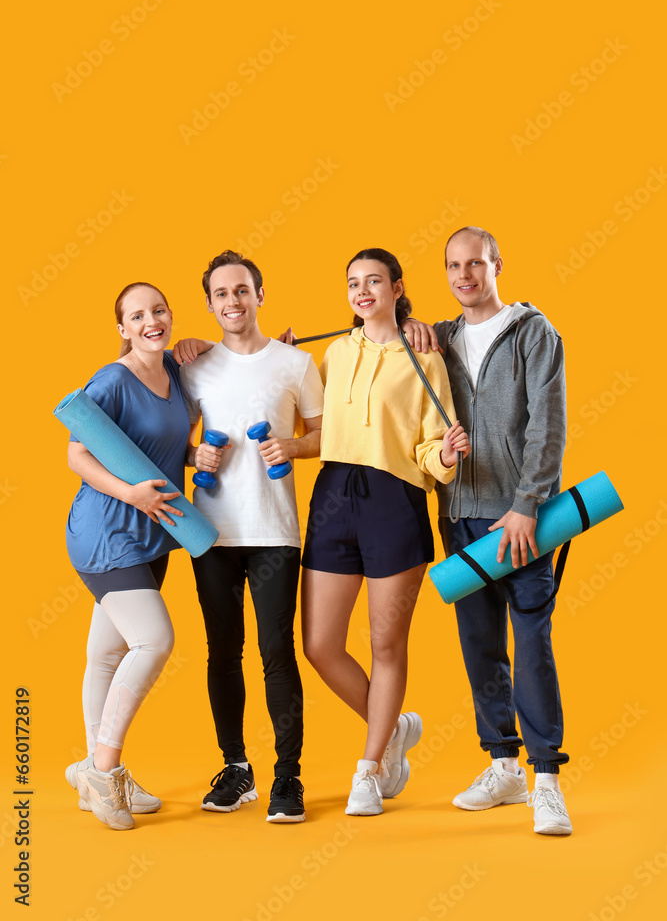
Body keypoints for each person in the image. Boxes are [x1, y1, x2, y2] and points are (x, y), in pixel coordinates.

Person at [403, 226, 572, 836]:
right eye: (453, 266)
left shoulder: (533, 333)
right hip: (460, 513)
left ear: (498, 263)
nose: (464, 275)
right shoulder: (440, 339)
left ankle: (547, 779)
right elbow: (371, 337)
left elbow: (546, 427)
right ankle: (503, 766)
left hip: (520, 517)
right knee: (479, 643)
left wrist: (528, 504)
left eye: (475, 263)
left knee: (530, 643)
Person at [299, 249, 470, 816]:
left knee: (384, 643)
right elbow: (312, 422)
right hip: (332, 496)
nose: (362, 290)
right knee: (320, 645)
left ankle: (369, 768)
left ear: (397, 288)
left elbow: (428, 446)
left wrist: (444, 454)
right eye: (353, 282)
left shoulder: (425, 357)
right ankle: (393, 729)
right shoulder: (332, 353)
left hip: (394, 499)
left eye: (374, 281)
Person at [178, 250, 323, 823]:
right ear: (210, 304)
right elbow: (165, 433)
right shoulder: (193, 367)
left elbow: (322, 433)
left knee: (275, 651)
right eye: (221, 294)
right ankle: (236, 769)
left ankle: (288, 776)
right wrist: (194, 453)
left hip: (274, 532)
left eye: (242, 290)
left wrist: (292, 446)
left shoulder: (295, 363)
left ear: (260, 295)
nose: (232, 302)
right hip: (210, 532)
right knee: (222, 652)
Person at [64, 283, 191, 831]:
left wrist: (203, 343)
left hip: (151, 535)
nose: (150, 322)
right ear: (122, 329)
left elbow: (207, 357)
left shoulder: (178, 373)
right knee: (155, 640)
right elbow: (76, 454)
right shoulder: (113, 379)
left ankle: (92, 771)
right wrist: (133, 493)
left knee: (106, 657)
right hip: (107, 529)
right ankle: (103, 768)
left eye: (158, 311)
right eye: (136, 316)